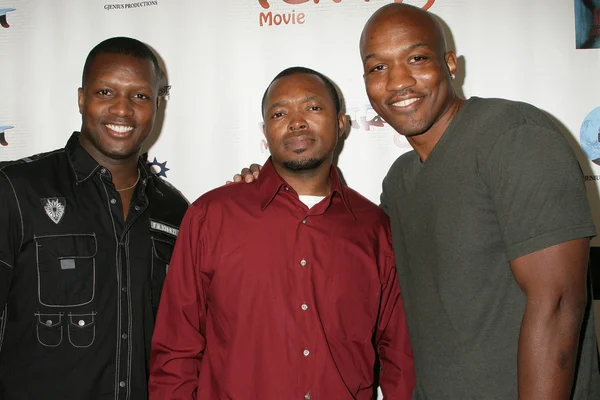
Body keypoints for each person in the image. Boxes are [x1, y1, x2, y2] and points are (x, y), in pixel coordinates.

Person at [234, 4, 600, 399]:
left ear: (450, 64)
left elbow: (559, 303)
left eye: (417, 58)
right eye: (378, 68)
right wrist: (268, 186)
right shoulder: (400, 182)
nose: (398, 82)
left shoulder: (513, 137)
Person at [149, 67, 415, 399]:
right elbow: (177, 348)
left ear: (342, 123)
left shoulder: (375, 230)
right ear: (266, 131)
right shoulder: (211, 216)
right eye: (279, 112)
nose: (296, 121)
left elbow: (399, 357)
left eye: (313, 107)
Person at [0, 37, 188, 399]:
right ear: (82, 98)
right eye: (106, 91)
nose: (123, 109)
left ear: (157, 105)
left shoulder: (176, 211)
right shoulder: (16, 191)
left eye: (140, 96)